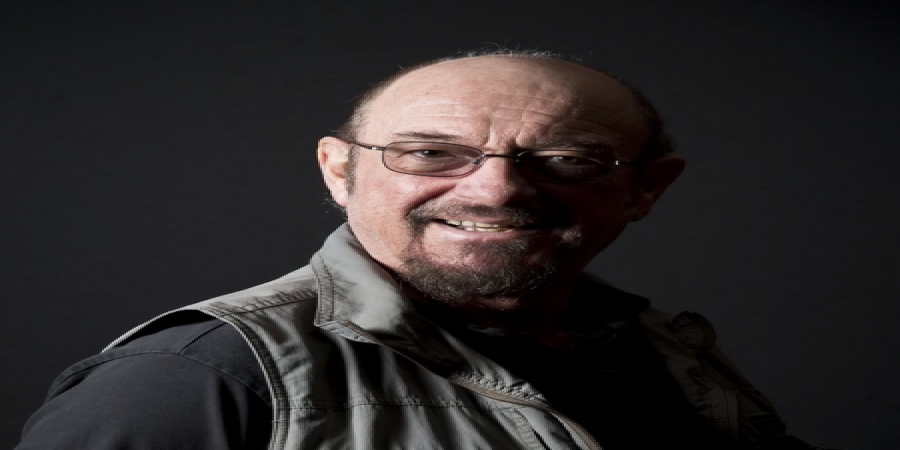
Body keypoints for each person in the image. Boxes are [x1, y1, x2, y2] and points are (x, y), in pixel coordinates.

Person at [17, 50, 824, 449]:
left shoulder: (672, 357)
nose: (496, 192)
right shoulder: (196, 379)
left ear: (647, 188)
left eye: (566, 158)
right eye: (431, 153)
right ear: (340, 171)